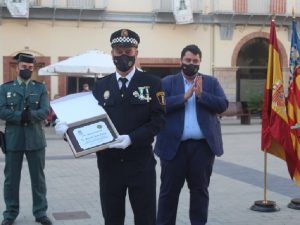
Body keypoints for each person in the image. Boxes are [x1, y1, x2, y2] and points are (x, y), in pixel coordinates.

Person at [55, 29, 165, 225]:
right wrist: (68, 132)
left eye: (128, 50)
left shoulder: (152, 83)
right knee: (112, 219)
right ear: (112, 53)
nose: (123, 55)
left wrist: (132, 138)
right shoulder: (100, 86)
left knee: (146, 218)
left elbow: (158, 121)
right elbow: (88, 121)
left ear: (136, 52)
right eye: (118, 51)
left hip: (141, 164)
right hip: (109, 166)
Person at [154, 44, 228, 225]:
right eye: (188, 60)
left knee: (200, 192)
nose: (191, 64)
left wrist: (202, 96)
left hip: (202, 149)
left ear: (200, 62)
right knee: (168, 193)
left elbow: (223, 105)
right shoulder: (167, 82)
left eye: (195, 61)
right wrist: (183, 97)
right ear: (181, 61)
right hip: (174, 148)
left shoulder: (210, 82)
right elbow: (158, 106)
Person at [0, 53, 52, 225]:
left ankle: (40, 212)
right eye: (24, 67)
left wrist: (30, 116)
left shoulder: (40, 88)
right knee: (11, 179)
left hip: (35, 139)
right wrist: (21, 116)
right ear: (17, 67)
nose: (27, 70)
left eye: (30, 68)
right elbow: (1, 111)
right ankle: (10, 213)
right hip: (13, 139)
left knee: (38, 179)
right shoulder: (5, 88)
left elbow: (45, 111)